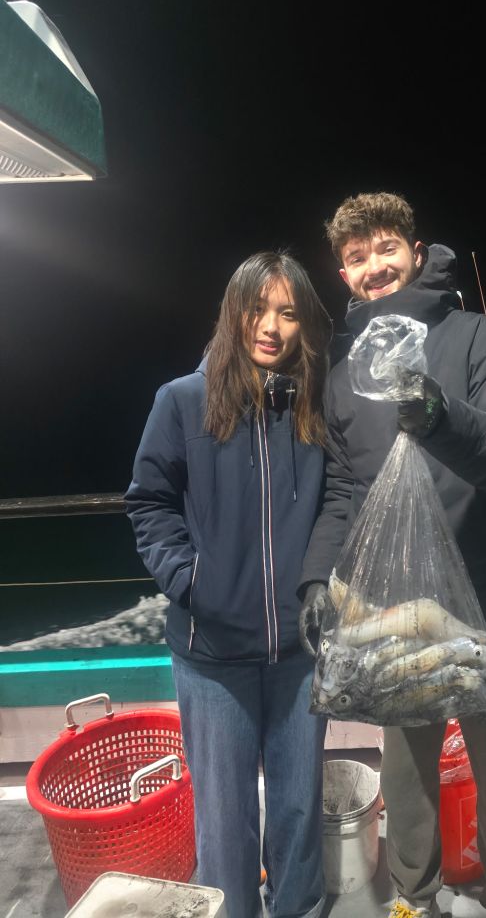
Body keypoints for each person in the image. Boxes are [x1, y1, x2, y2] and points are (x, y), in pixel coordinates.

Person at [298, 193, 486, 918]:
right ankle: (413, 901)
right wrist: (318, 577)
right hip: (392, 618)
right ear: (342, 273)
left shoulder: (482, 339)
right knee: (407, 788)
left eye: (384, 249)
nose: (372, 267)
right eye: (354, 258)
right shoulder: (343, 368)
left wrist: (444, 416)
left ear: (414, 251)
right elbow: (345, 488)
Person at [125, 252, 331, 918]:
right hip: (212, 655)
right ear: (233, 310)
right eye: (258, 308)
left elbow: (344, 496)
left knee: (300, 811)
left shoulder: (315, 404)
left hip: (302, 653)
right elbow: (149, 502)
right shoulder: (182, 400)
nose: (271, 326)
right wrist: (191, 580)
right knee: (225, 819)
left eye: (289, 312)